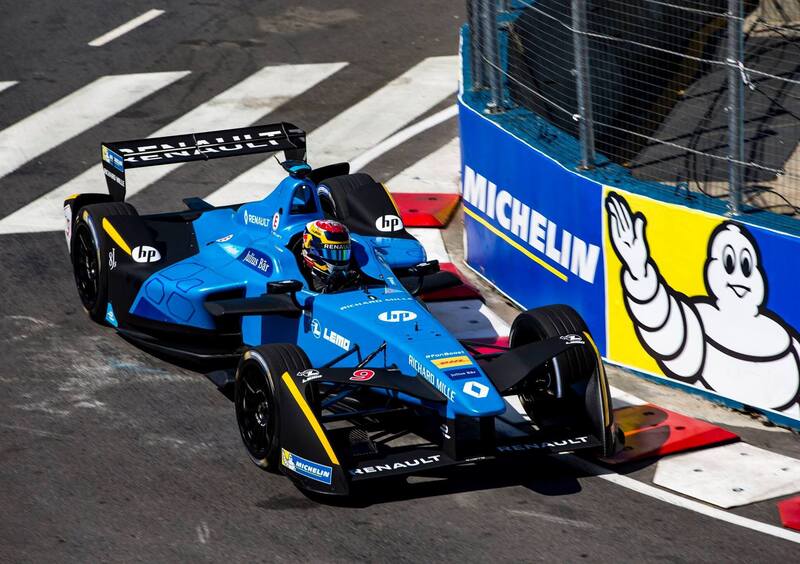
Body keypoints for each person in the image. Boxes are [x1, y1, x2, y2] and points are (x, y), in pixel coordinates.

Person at [300, 219, 360, 292]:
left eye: (343, 254)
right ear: (311, 249)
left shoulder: (351, 275)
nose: (338, 260)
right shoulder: (300, 275)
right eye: (331, 254)